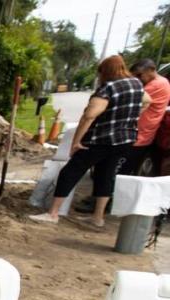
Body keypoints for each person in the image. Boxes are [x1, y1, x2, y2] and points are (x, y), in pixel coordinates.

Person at [29, 55, 150, 228]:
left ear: (105, 71)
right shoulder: (136, 84)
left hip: (100, 139)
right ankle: (98, 218)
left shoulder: (107, 88)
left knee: (70, 172)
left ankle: (53, 213)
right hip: (124, 139)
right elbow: (148, 101)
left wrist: (76, 142)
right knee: (106, 175)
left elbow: (89, 116)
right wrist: (132, 116)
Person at [125, 58, 170, 174]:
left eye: (139, 75)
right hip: (142, 134)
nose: (138, 79)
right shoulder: (160, 82)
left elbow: (130, 98)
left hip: (139, 136)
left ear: (152, 70)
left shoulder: (156, 84)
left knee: (122, 172)